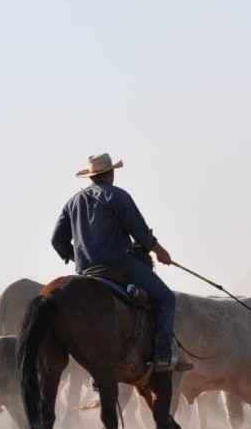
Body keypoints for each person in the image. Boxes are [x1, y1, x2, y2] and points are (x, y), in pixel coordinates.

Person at [51, 153, 178, 371]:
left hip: (86, 272)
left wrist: (79, 257)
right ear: (110, 173)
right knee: (166, 298)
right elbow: (140, 232)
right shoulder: (118, 196)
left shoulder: (72, 203)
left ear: (91, 176)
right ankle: (162, 354)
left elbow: (57, 240)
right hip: (119, 264)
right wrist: (160, 252)